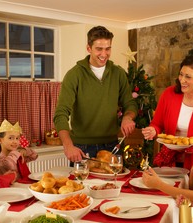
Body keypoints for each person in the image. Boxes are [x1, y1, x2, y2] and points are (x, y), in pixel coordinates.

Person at [53, 26, 137, 162]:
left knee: (116, 183)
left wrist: (128, 117)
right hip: (82, 147)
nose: (104, 54)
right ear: (88, 48)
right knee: (82, 184)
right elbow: (61, 113)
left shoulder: (118, 73)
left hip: (112, 145)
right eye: (99, 49)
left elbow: (130, 103)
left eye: (108, 48)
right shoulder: (74, 75)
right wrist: (68, 146)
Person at [142, 54, 193, 170]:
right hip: (169, 160)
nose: (182, 80)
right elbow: (157, 124)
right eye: (181, 74)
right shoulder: (169, 94)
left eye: (188, 77)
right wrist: (152, 130)